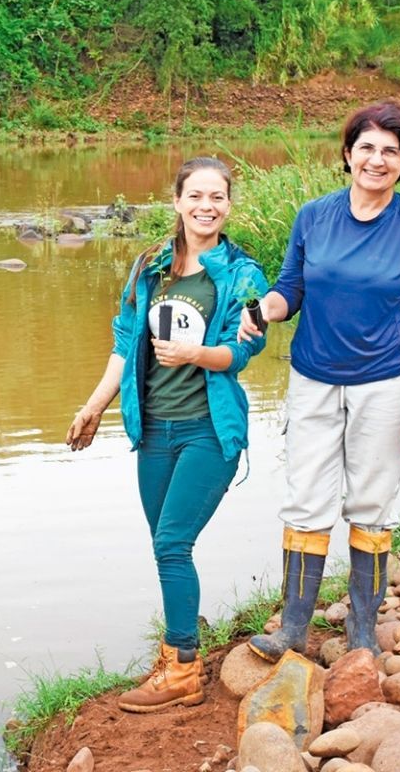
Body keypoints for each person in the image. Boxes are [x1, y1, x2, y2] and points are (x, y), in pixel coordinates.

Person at [238, 100, 400, 663]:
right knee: (305, 499)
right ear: (348, 154)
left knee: (372, 503)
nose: (376, 160)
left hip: (386, 382)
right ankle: (293, 629)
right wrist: (264, 309)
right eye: (367, 148)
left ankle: (361, 630)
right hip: (314, 377)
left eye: (390, 151)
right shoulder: (313, 216)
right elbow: (291, 289)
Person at [67, 156, 268, 712]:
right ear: (177, 202)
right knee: (167, 549)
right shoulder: (149, 267)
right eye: (196, 196)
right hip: (154, 432)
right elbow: (124, 342)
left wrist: (195, 354)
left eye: (218, 198)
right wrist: (93, 407)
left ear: (229, 205)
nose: (207, 207)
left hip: (208, 431)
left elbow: (244, 350)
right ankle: (182, 643)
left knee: (171, 544)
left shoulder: (243, 275)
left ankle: (181, 669)